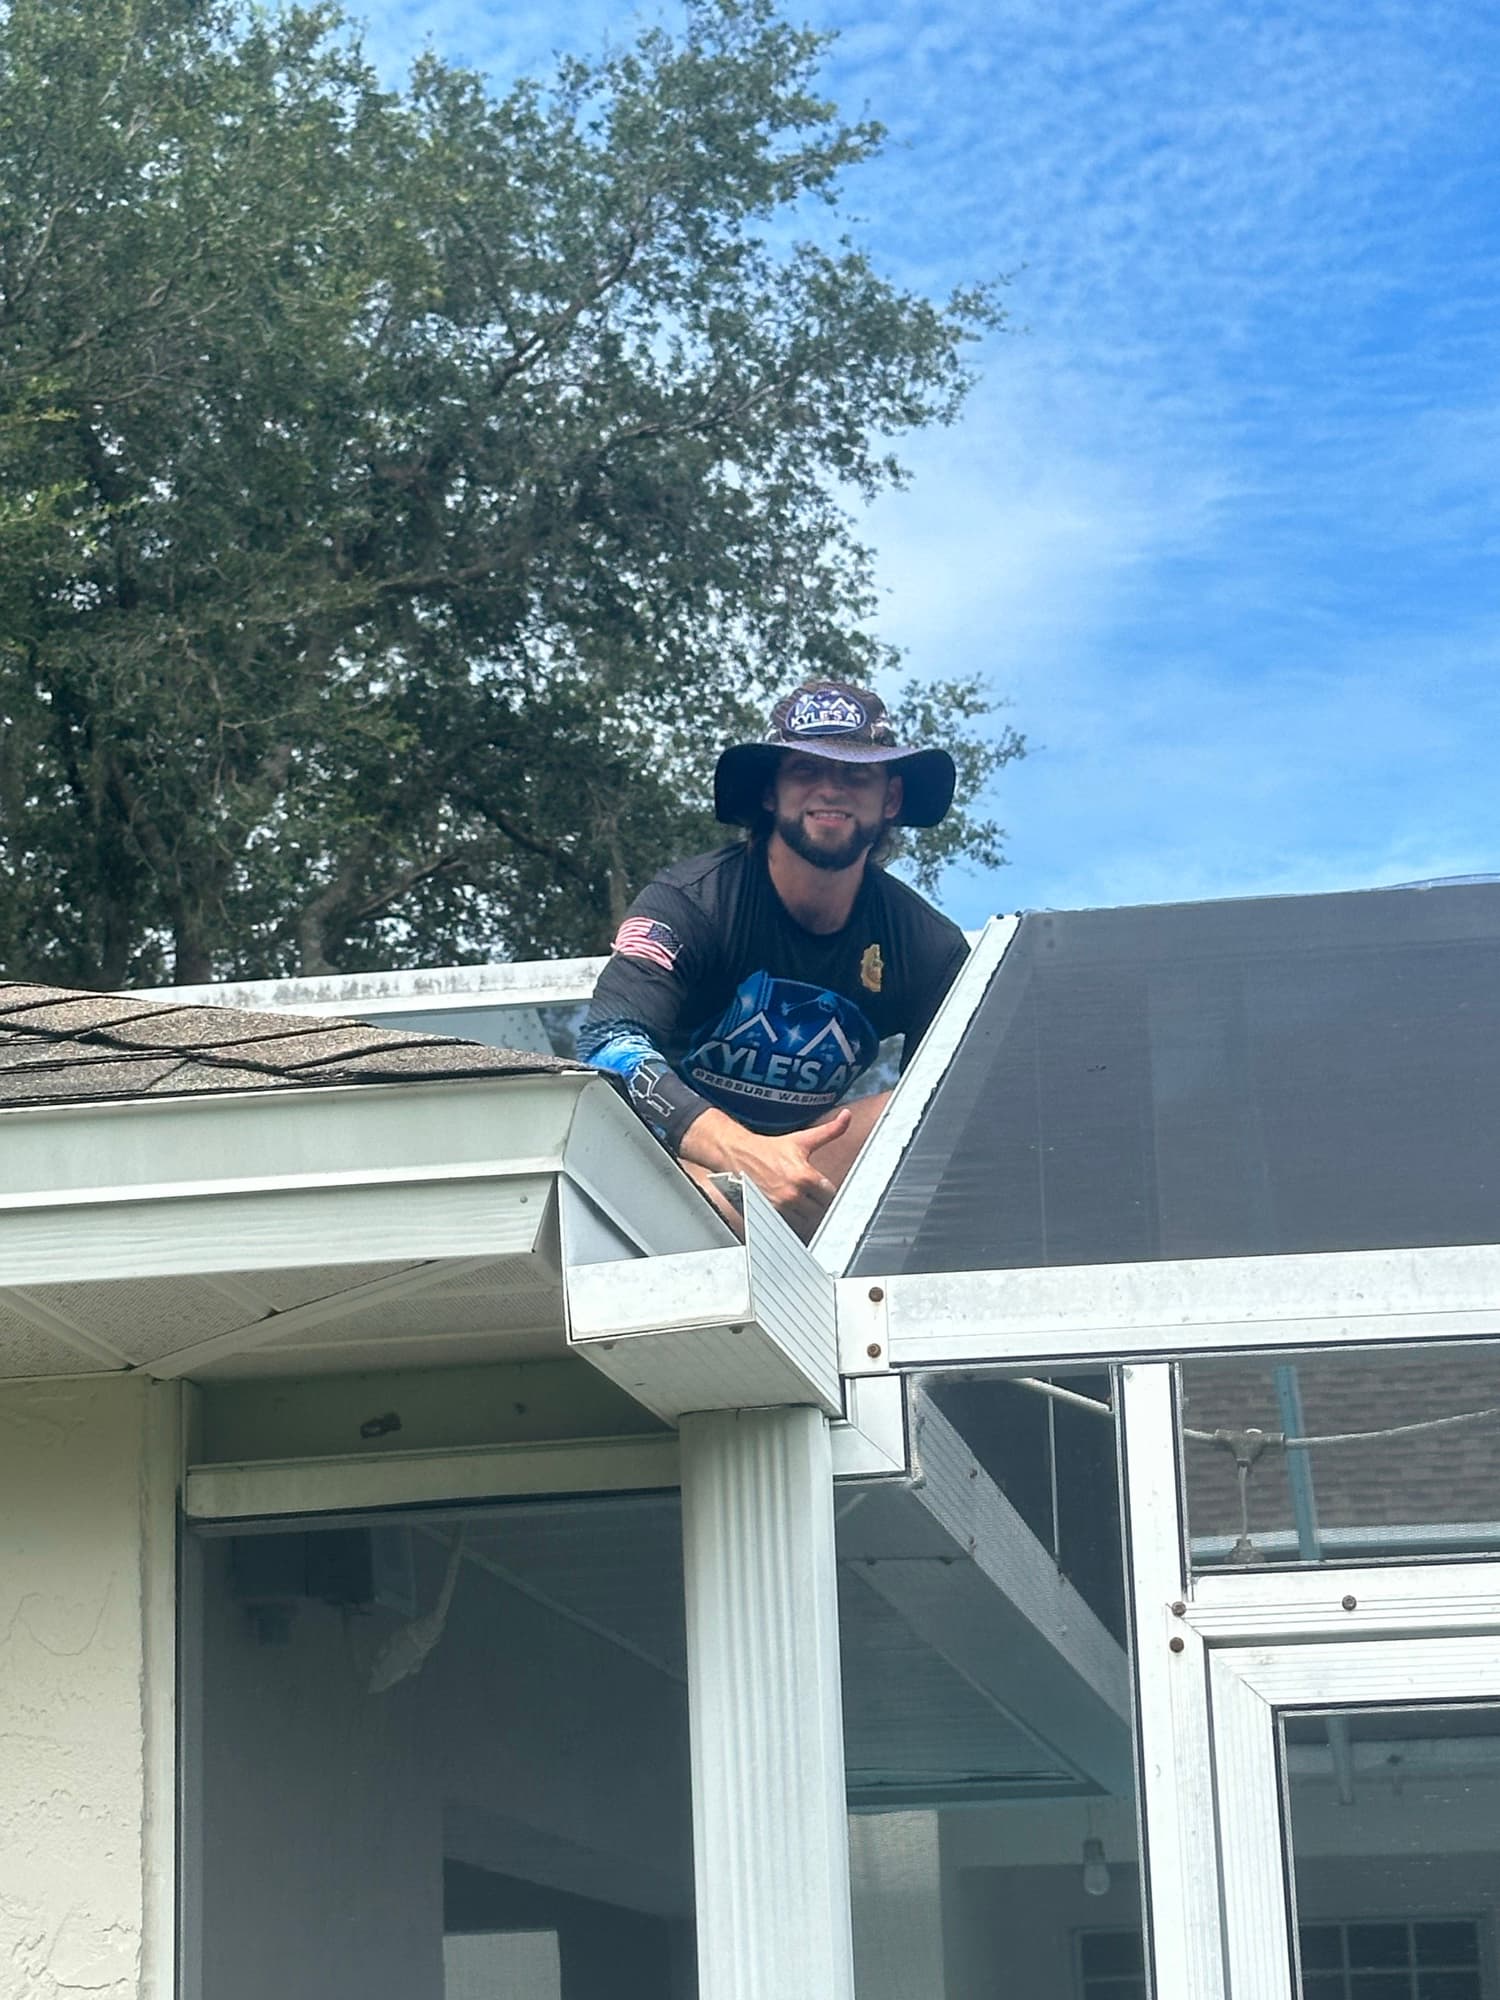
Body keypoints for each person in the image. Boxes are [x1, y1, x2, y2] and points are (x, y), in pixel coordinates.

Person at [579, 679, 970, 1238]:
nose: (831, 789)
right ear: (771, 793)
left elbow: (958, 1106)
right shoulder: (692, 902)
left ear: (891, 800)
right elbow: (608, 1045)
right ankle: (710, 1225)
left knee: (934, 1101)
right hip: (666, 1162)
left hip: (811, 1176)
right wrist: (742, 1157)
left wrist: (782, 1173)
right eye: (807, 770)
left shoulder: (928, 945)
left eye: (856, 772)